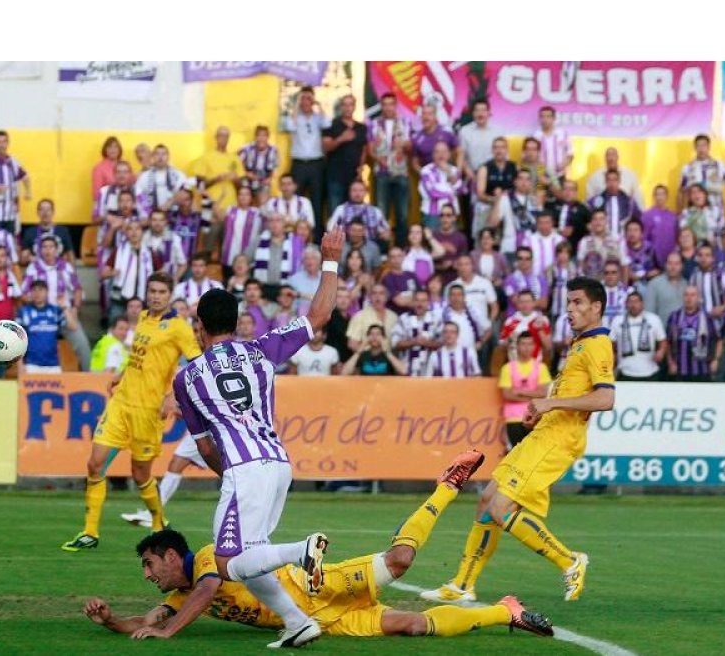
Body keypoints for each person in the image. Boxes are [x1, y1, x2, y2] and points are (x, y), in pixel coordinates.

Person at [88, 452, 555, 643]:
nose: (149, 576)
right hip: (322, 619)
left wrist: (170, 632)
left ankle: (447, 487)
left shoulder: (213, 558)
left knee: (402, 559)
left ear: (172, 556)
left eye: (151, 565)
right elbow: (142, 623)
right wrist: (111, 620)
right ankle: (506, 611)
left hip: (316, 583)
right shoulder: (178, 597)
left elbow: (206, 592)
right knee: (412, 625)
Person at [168, 227, 345, 648]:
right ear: (235, 321)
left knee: (228, 562)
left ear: (199, 326)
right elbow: (319, 317)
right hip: (278, 462)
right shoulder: (261, 350)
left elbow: (206, 445)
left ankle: (302, 550)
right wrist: (331, 259)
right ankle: (298, 621)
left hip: (244, 469)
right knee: (252, 553)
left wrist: (227, 475)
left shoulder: (187, 378)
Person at [421, 277, 611, 605]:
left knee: (499, 507)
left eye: (578, 302)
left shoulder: (597, 345)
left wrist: (550, 405)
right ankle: (463, 584)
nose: (569, 309)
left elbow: (605, 398)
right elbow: (570, 390)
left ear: (597, 307)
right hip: (545, 431)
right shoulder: (580, 342)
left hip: (558, 439)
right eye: (568, 302)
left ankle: (569, 561)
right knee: (488, 500)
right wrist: (542, 409)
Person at [61, 272, 200, 552]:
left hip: (148, 412)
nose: (156, 295)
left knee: (140, 474)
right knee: (95, 464)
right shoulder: (145, 317)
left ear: (170, 294)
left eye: (161, 291)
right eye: (152, 290)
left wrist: (173, 396)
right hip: (121, 403)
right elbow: (142, 357)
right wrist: (122, 374)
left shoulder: (180, 328)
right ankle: (90, 532)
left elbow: (197, 364)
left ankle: (159, 521)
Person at [23, 235, 89, 370]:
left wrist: (75, 309)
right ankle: (25, 373)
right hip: (40, 314)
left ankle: (90, 376)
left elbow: (77, 289)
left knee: (82, 344)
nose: (47, 250)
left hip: (63, 313)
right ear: (40, 250)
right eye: (44, 247)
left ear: (56, 250)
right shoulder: (33, 268)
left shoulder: (66, 267)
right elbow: (24, 294)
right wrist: (33, 298)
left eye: (51, 247)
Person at [367, 92, 412, 245]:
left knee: (402, 214)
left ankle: (401, 248)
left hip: (401, 172)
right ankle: (383, 251)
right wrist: (377, 158)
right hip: (382, 173)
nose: (387, 108)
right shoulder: (374, 124)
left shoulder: (406, 123)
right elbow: (370, 149)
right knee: (382, 213)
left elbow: (411, 148)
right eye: (384, 104)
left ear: (395, 105)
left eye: (390, 104)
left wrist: (405, 145)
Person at [281, 87, 330, 218]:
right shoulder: (295, 117)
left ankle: (317, 234)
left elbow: (327, 124)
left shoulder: (318, 118)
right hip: (299, 164)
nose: (306, 101)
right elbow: (290, 125)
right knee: (296, 200)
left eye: (309, 98)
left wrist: (318, 104)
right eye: (303, 98)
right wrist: (297, 104)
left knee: (317, 199)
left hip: (316, 164)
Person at [500, 332, 553, 448]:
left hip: (535, 417)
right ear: (517, 346)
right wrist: (533, 395)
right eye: (523, 344)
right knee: (516, 455)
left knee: (534, 456)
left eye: (530, 344)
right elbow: (507, 395)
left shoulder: (541, 367)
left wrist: (520, 391)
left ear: (534, 346)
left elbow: (543, 393)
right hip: (513, 418)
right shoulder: (507, 368)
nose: (526, 348)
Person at [321, 95, 367, 215]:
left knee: (355, 212)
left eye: (350, 104)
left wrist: (361, 167)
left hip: (354, 177)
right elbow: (325, 147)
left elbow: (364, 149)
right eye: (345, 105)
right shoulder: (331, 125)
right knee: (336, 212)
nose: (347, 108)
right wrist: (341, 139)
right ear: (341, 107)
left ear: (354, 107)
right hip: (335, 175)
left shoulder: (361, 127)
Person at [666, 285, 721, 382]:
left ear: (699, 298)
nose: (689, 298)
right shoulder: (674, 317)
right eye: (686, 295)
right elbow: (668, 342)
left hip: (703, 370)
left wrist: (715, 360)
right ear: (682, 297)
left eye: (693, 295)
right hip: (680, 370)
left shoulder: (708, 318)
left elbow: (719, 340)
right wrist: (670, 362)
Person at [18, 279, 71, 374]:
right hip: (31, 365)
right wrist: (20, 365)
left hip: (53, 365)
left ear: (47, 292)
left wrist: (64, 307)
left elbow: (73, 327)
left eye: (41, 290)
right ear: (31, 293)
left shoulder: (55, 311)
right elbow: (17, 340)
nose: (37, 293)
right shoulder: (24, 312)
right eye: (34, 290)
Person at [474, 136, 517, 242]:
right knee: (484, 239)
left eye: (502, 147)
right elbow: (480, 194)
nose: (499, 150)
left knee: (506, 240)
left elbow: (518, 189)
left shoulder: (514, 167)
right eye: (496, 148)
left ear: (507, 150)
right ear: (492, 150)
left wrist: (504, 200)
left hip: (509, 208)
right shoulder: (484, 168)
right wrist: (497, 199)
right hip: (488, 207)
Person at [488, 169, 538, 256]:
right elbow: (492, 223)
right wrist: (498, 200)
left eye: (527, 179)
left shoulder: (534, 200)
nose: (524, 182)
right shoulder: (506, 198)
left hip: (531, 247)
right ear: (515, 182)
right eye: (521, 179)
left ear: (531, 183)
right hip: (510, 246)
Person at [392, 289, 441, 376]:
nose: (420, 304)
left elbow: (442, 343)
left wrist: (426, 343)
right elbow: (395, 343)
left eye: (423, 301)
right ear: (413, 302)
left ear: (428, 303)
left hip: (431, 372)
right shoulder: (403, 319)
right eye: (417, 300)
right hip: (407, 370)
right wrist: (414, 341)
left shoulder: (436, 319)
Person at [192, 126, 240, 213]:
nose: (224, 139)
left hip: (231, 205)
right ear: (216, 137)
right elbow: (199, 185)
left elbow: (242, 187)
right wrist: (216, 179)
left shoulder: (235, 158)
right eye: (221, 135)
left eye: (226, 136)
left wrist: (236, 180)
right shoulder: (205, 157)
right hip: (211, 204)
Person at [679, 134, 725, 213]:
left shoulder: (719, 165)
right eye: (698, 146)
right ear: (695, 148)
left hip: (716, 210)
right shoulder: (688, 168)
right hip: (695, 212)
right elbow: (682, 191)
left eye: (704, 145)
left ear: (709, 147)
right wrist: (680, 212)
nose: (701, 149)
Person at [417, 141, 462, 231]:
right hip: (432, 214)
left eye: (444, 152)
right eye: (437, 152)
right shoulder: (426, 171)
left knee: (450, 243)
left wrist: (448, 172)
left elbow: (461, 190)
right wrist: (450, 193)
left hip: (451, 214)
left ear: (449, 154)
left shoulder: (454, 170)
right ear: (433, 155)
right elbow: (433, 193)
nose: (441, 155)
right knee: (432, 242)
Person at [133, 144, 185, 215]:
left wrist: (171, 202)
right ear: (153, 157)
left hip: (174, 215)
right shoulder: (145, 176)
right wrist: (148, 212)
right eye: (157, 154)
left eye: (163, 154)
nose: (160, 157)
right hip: (152, 217)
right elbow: (139, 194)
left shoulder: (178, 175)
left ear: (168, 157)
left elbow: (185, 192)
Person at [345, 285, 397, 354]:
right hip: (367, 361)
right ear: (369, 297)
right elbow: (352, 344)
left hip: (390, 361)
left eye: (381, 293)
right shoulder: (359, 316)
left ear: (386, 297)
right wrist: (368, 358)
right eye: (374, 293)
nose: (377, 296)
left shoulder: (394, 316)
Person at [576, 209, 626, 281]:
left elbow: (624, 264)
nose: (598, 222)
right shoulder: (584, 241)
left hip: (613, 285)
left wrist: (624, 286)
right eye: (595, 219)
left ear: (606, 221)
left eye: (601, 219)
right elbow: (580, 265)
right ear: (591, 222)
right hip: (592, 284)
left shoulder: (618, 240)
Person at [531, 106, 571, 195]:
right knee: (539, 204)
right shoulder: (535, 136)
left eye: (548, 116)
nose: (545, 119)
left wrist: (564, 164)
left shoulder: (562, 133)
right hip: (541, 177)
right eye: (542, 116)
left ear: (554, 118)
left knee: (560, 201)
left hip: (559, 176)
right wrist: (540, 175)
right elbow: (532, 159)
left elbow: (570, 154)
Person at [21, 198, 74, 264]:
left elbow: (70, 255)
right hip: (38, 271)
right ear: (37, 212)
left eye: (48, 209)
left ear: (53, 212)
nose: (45, 212)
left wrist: (72, 273)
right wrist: (29, 258)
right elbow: (23, 259)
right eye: (42, 209)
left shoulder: (63, 231)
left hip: (59, 270)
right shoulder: (30, 232)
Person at [342, 323, 408, 376]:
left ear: (384, 338)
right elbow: (344, 373)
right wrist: (359, 351)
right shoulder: (363, 355)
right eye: (371, 334)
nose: (374, 337)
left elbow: (404, 371)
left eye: (378, 334)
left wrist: (387, 352)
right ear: (367, 337)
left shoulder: (390, 355)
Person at [410, 103, 457, 175]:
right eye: (424, 114)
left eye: (429, 114)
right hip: (429, 176)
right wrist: (424, 173)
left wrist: (457, 172)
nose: (426, 117)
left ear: (435, 117)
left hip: (448, 173)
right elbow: (414, 162)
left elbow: (460, 152)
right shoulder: (416, 137)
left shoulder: (446, 131)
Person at [645, 252, 688, 328]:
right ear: (665, 265)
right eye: (670, 263)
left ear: (682, 266)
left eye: (676, 264)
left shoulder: (687, 284)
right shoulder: (654, 284)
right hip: (662, 333)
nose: (673, 267)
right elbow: (649, 313)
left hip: (682, 333)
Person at [238, 125, 279, 199]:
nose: (261, 138)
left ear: (268, 137)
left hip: (264, 181)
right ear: (255, 137)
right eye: (259, 135)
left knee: (264, 194)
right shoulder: (246, 149)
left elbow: (275, 168)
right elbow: (237, 164)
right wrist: (246, 173)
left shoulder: (273, 150)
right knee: (244, 190)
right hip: (247, 180)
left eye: (264, 135)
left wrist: (269, 179)